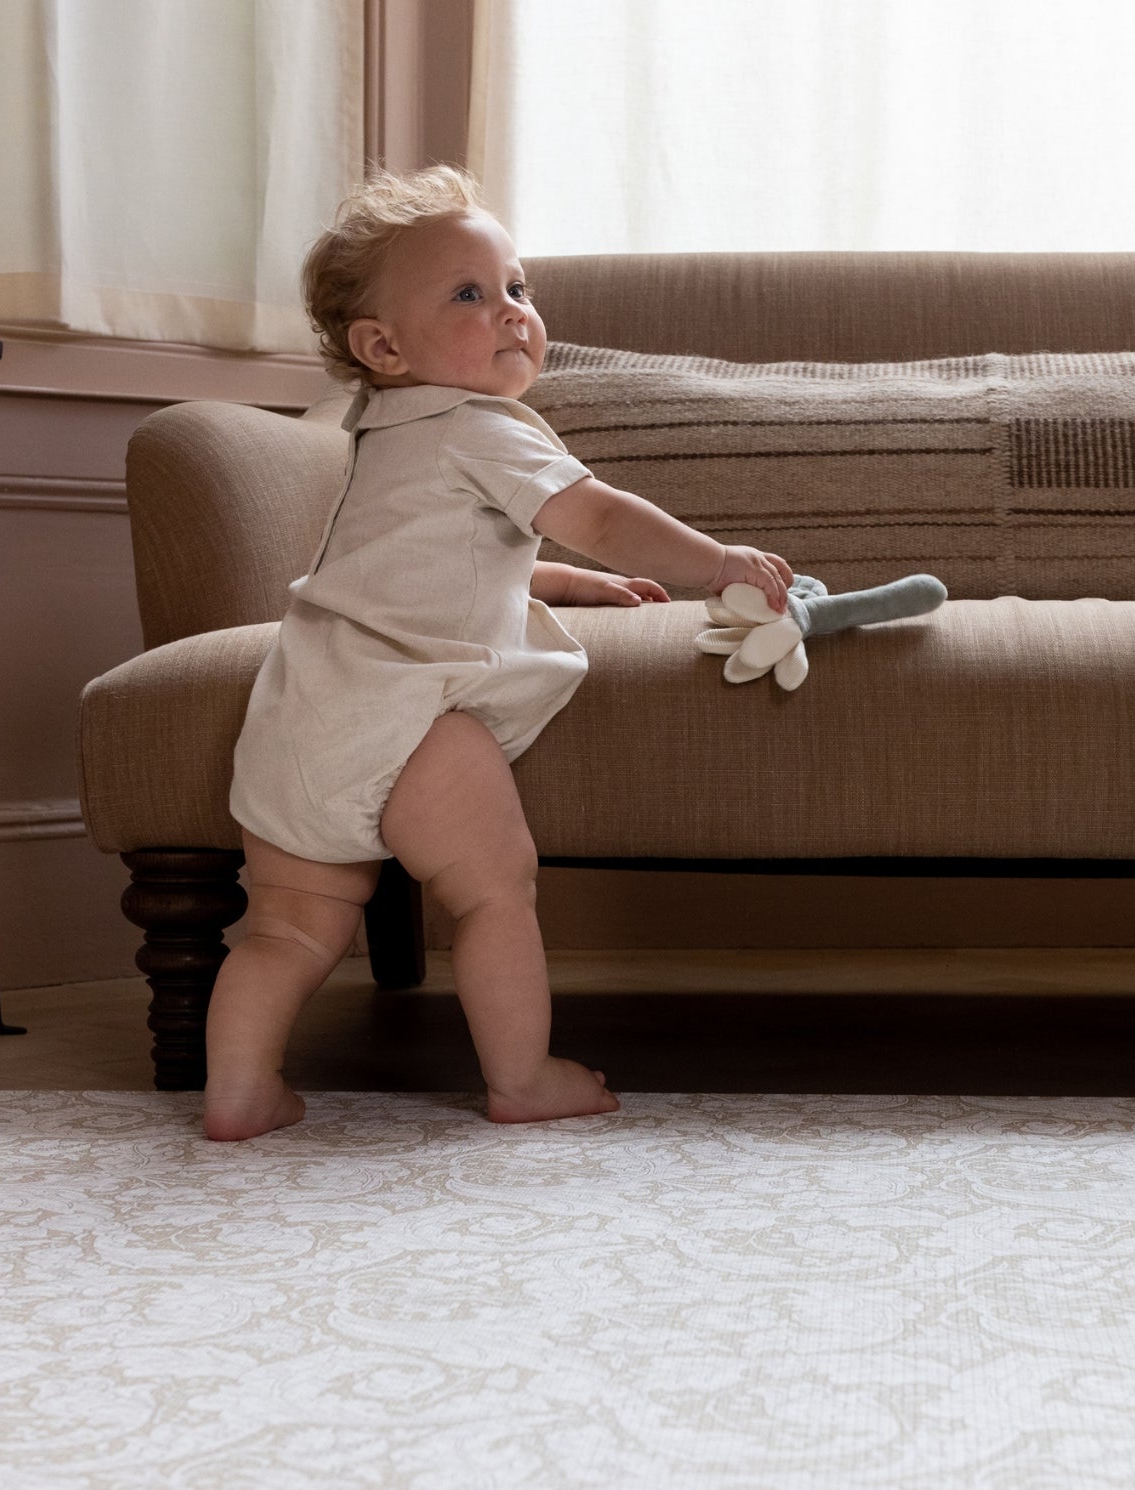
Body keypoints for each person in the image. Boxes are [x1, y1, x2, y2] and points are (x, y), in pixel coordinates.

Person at [204, 163, 793, 1142]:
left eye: (517, 286)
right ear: (383, 345)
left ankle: (241, 1091)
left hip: (304, 710)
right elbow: (597, 515)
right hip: (407, 717)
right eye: (471, 295)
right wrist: (711, 560)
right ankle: (523, 1074)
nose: (513, 311)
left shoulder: (386, 434)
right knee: (491, 891)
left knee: (285, 927)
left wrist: (551, 584)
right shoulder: (480, 426)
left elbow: (418, 567)